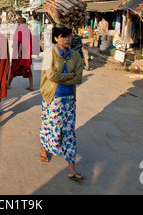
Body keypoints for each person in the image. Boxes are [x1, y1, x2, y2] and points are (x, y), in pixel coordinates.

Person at [39, 25, 85, 181]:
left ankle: (72, 169)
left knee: (69, 133)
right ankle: (44, 150)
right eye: (64, 36)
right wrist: (68, 76)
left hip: (69, 99)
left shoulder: (76, 56)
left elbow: (79, 78)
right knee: (50, 127)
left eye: (70, 36)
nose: (68, 39)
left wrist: (64, 76)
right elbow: (51, 76)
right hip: (52, 98)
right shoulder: (48, 54)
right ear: (56, 38)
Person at [7, 18, 34, 91]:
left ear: (20, 22)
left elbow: (22, 41)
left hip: (19, 52)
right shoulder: (27, 29)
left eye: (18, 22)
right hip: (26, 53)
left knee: (14, 68)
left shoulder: (21, 29)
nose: (17, 23)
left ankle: (8, 84)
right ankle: (31, 86)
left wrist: (19, 53)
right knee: (27, 68)